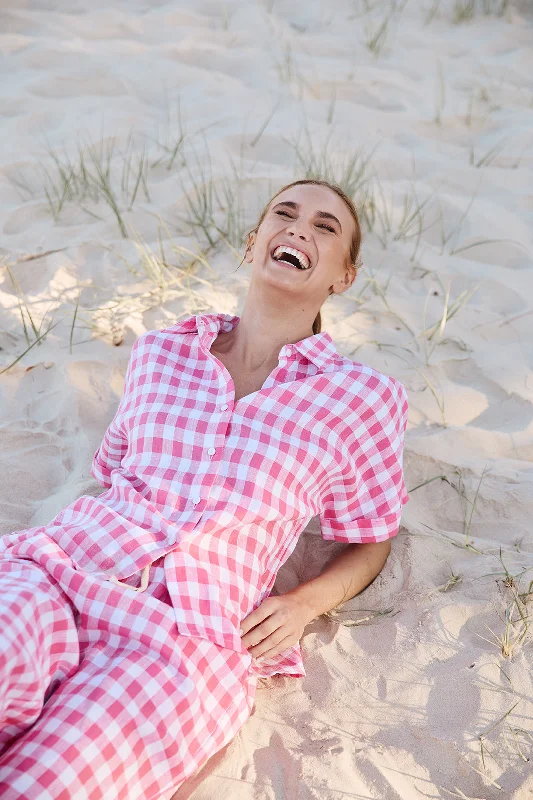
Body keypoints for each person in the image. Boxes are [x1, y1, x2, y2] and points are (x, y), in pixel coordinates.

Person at [0, 178, 409, 799]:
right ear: (254, 244)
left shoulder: (361, 399)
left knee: (50, 782)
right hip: (65, 568)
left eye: (326, 228)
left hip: (189, 635)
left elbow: (372, 538)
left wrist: (302, 605)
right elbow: (115, 474)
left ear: (343, 277)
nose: (300, 228)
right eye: (285, 213)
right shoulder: (161, 353)